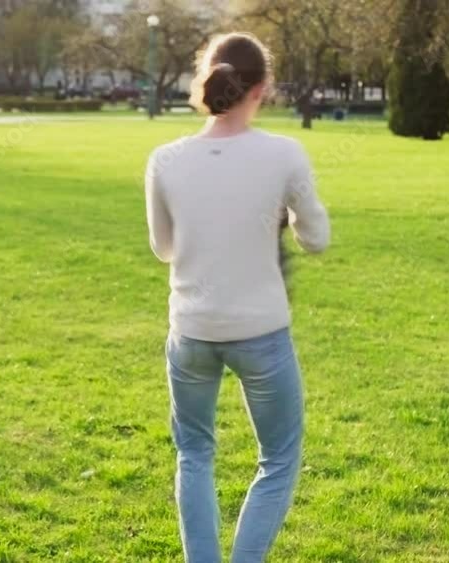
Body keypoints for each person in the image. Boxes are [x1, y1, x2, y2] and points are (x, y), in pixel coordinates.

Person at [144, 32, 330, 563]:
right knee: (279, 458)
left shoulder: (165, 159)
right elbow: (316, 239)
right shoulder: (284, 155)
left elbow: (164, 248)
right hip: (260, 333)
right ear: (262, 89)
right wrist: (284, 214)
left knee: (194, 453)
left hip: (192, 331)